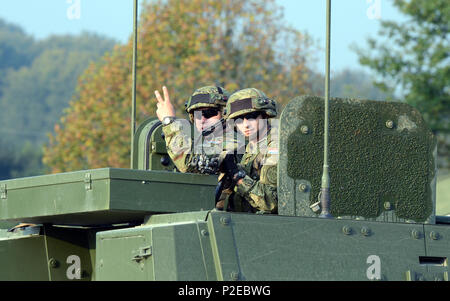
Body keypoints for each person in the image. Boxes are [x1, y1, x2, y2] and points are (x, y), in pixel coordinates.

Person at [218, 88, 278, 214]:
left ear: (265, 115)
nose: (245, 125)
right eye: (238, 119)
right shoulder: (249, 148)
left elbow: (270, 201)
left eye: (251, 117)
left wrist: (236, 174)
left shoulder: (275, 146)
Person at [154, 85, 230, 174]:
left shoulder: (234, 143)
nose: (202, 119)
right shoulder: (201, 143)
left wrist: (168, 121)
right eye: (197, 114)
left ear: (225, 114)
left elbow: (190, 164)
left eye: (209, 113)